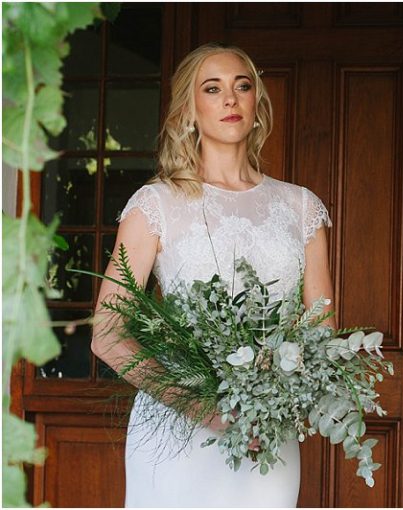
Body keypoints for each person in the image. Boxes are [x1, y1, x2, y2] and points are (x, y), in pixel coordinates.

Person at [91, 42, 335, 508]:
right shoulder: (155, 204)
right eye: (212, 88)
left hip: (266, 431)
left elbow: (320, 331)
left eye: (242, 86)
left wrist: (280, 398)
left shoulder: (301, 207)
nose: (230, 99)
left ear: (257, 104)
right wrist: (206, 408)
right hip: (177, 434)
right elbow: (106, 334)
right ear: (189, 110)